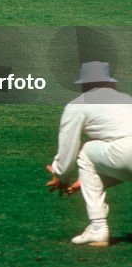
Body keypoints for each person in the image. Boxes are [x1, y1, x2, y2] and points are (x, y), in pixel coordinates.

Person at [45, 61, 132, 247]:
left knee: (86, 152)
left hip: (124, 154)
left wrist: (60, 174)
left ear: (84, 85)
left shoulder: (77, 105)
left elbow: (68, 148)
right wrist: (87, 180)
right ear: (111, 83)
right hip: (124, 155)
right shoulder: (127, 98)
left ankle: (98, 227)